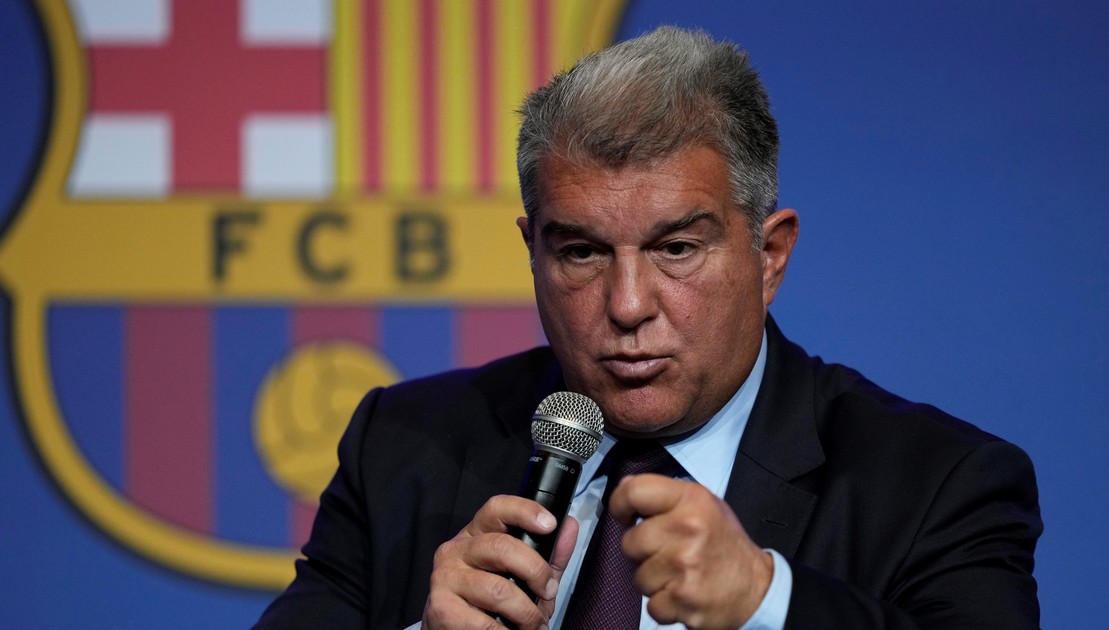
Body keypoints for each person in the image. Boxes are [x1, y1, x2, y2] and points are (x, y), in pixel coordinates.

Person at [255, 26, 1041, 629]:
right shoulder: (403, 449)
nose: (628, 305)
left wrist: (767, 602)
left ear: (769, 256)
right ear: (533, 253)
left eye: (676, 249)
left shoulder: (937, 484)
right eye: (582, 252)